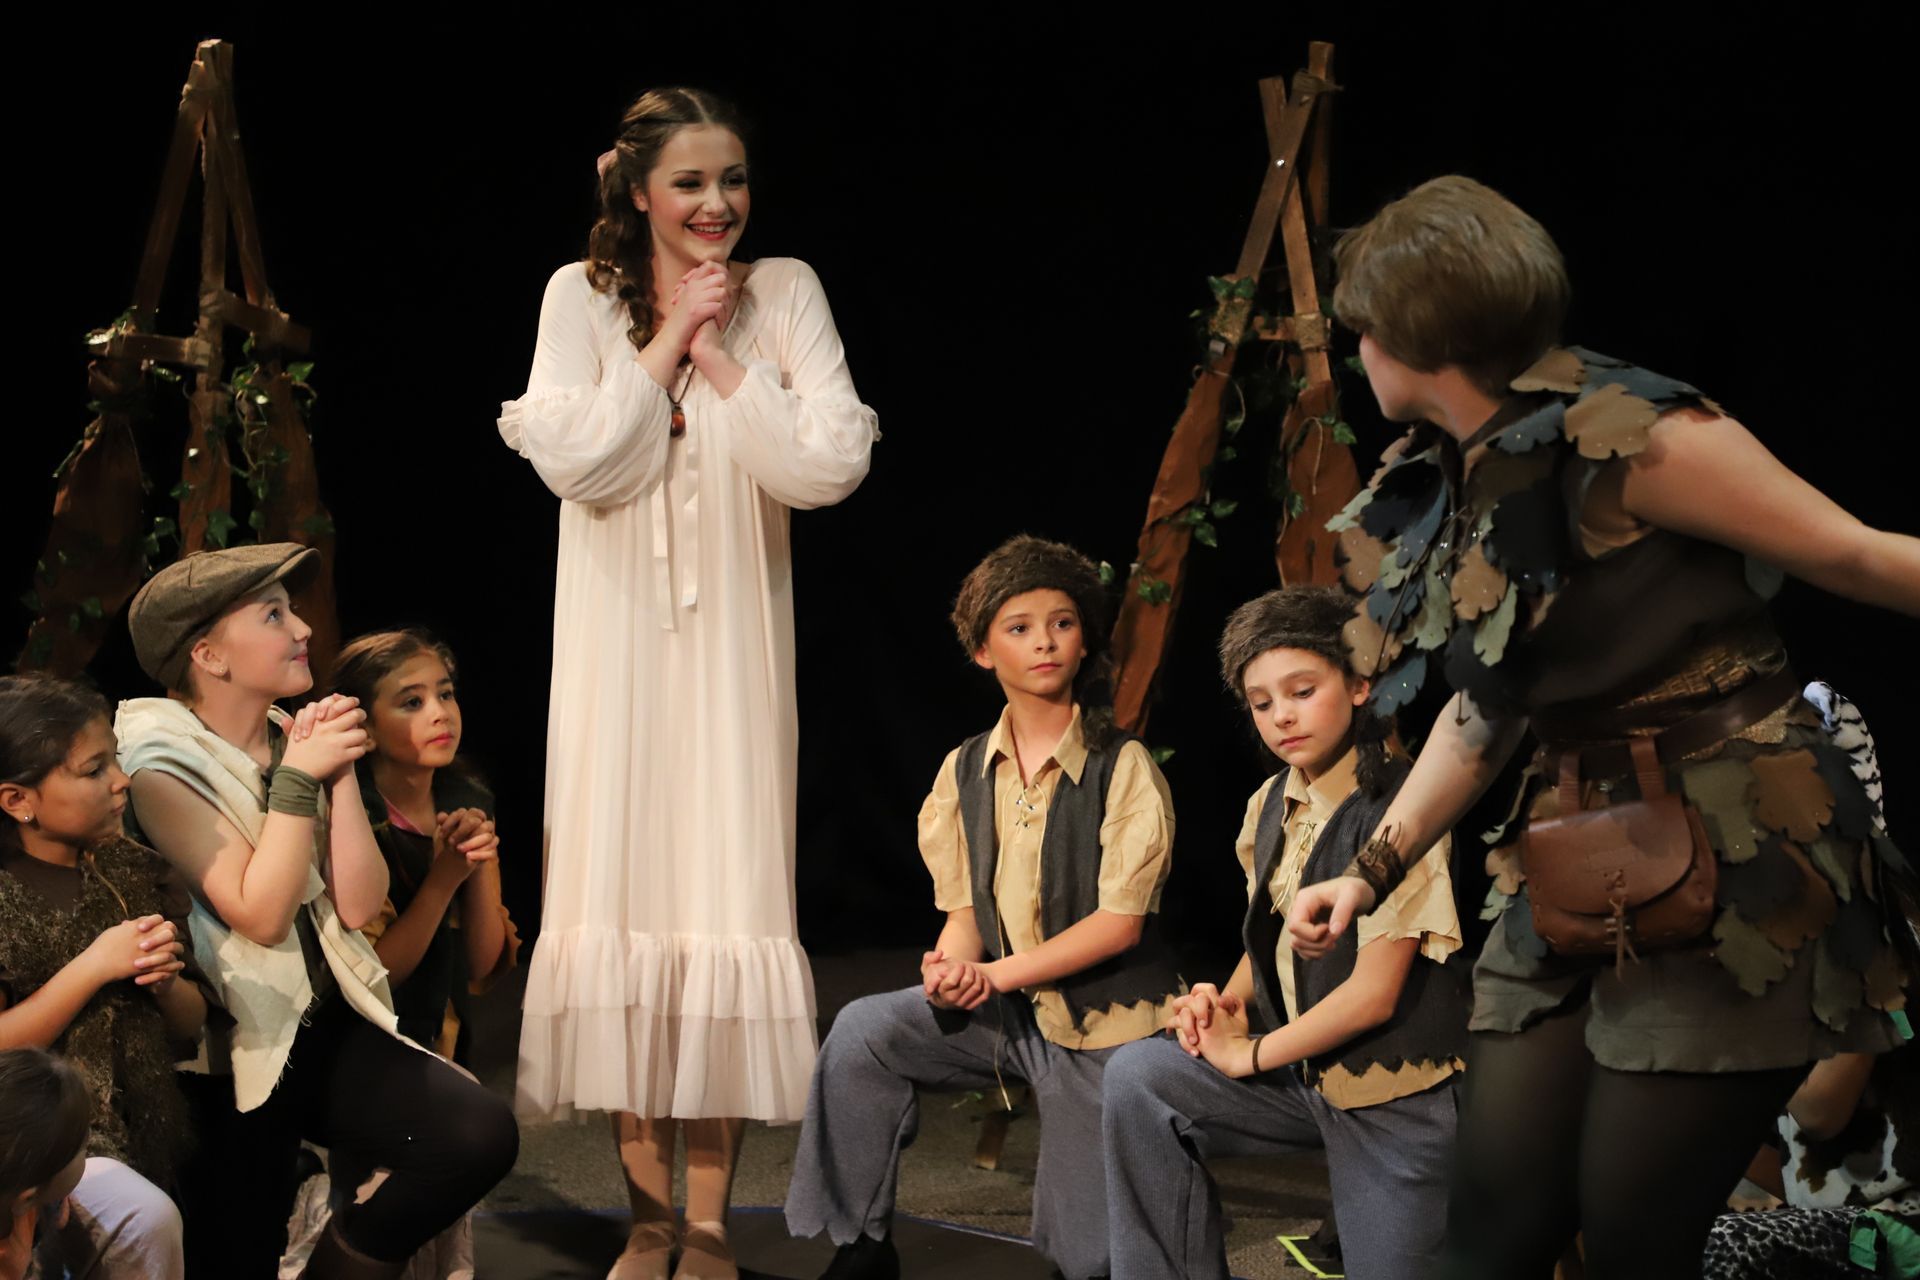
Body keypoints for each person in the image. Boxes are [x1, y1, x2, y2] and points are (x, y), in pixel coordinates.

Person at [1283, 175, 1920, 1278]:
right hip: (1580, 842)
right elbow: (1492, 697)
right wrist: (1373, 866)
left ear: (1411, 335)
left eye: (1363, 332)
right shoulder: (1458, 467)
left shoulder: (1642, 438)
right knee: (1493, 1228)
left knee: (1634, 1240)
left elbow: (1860, 554)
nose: (1358, 353)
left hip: (1736, 853)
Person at [499, 85, 877, 1280]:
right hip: (614, 651)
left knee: (718, 898)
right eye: (691, 182)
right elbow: (583, 464)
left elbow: (824, 464)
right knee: (621, 895)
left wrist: (720, 351)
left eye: (734, 180)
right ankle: (646, 1216)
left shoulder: (788, 292)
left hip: (731, 656)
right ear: (638, 189)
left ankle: (709, 1221)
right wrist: (663, 340)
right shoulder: (579, 297)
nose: (718, 204)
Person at [116, 543, 519, 1280]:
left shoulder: (284, 734)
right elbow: (259, 916)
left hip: (316, 1019)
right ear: (208, 654)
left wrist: (332, 779)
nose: (302, 629)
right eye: (274, 615)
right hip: (226, 1048)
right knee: (235, 1249)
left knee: (475, 1133)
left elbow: (360, 902)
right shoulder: (158, 763)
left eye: (292, 610)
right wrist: (303, 775)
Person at [785, 535, 1181, 1280]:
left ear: (1086, 639)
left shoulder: (1121, 767)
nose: (1045, 642)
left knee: (1086, 1256)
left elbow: (1118, 923)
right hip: (1011, 1011)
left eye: (1062, 623)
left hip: (1103, 1026)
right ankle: (862, 1243)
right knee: (866, 1032)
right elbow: (966, 912)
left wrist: (995, 979)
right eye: (1020, 627)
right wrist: (950, 970)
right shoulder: (965, 769)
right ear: (982, 652)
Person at [1102, 586, 1469, 1280]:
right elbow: (1264, 940)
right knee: (1140, 1076)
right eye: (1262, 703)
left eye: (1302, 690)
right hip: (1302, 1077)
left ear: (1360, 685)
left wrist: (1251, 1052)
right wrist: (1226, 1004)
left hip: (1387, 1095)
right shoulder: (1271, 801)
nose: (1282, 718)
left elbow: (1375, 995)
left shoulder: (1399, 810)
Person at [0, 676, 201, 1280]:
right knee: (145, 1219)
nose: (122, 780)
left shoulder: (137, 871)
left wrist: (167, 983)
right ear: (17, 800)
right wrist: (94, 966)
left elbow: (190, 1022)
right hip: (38, 1144)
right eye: (94, 770)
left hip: (144, 1129)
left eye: (115, 759)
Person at [327, 629, 517, 1066]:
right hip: (366, 1038)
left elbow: (480, 964)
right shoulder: (355, 816)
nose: (440, 713)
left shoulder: (466, 800)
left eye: (445, 694)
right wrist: (444, 878)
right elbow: (376, 975)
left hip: (443, 1035)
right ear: (366, 730)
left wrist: (476, 863)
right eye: (413, 702)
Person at [0, 1048, 92, 1280]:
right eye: (81, 1146)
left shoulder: (17, 1182)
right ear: (27, 1198)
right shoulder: (9, 1263)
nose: (89, 1143)